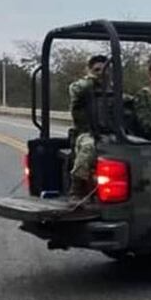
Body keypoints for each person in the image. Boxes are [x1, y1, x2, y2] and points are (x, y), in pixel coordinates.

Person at [67, 55, 108, 196]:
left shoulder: (112, 89)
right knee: (89, 147)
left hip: (110, 133)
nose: (101, 74)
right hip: (86, 133)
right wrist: (93, 78)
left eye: (104, 70)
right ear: (89, 70)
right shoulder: (80, 87)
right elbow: (76, 89)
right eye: (97, 70)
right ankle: (76, 189)